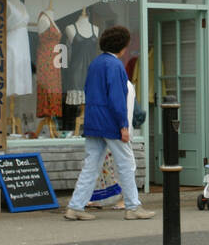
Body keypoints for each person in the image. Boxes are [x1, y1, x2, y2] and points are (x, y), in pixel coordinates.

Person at [64, 26, 155, 219]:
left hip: (93, 120)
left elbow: (89, 90)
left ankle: (75, 207)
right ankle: (133, 207)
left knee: (91, 165)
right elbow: (117, 98)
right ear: (122, 47)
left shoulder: (96, 63)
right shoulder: (115, 66)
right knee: (126, 163)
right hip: (111, 123)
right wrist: (123, 125)